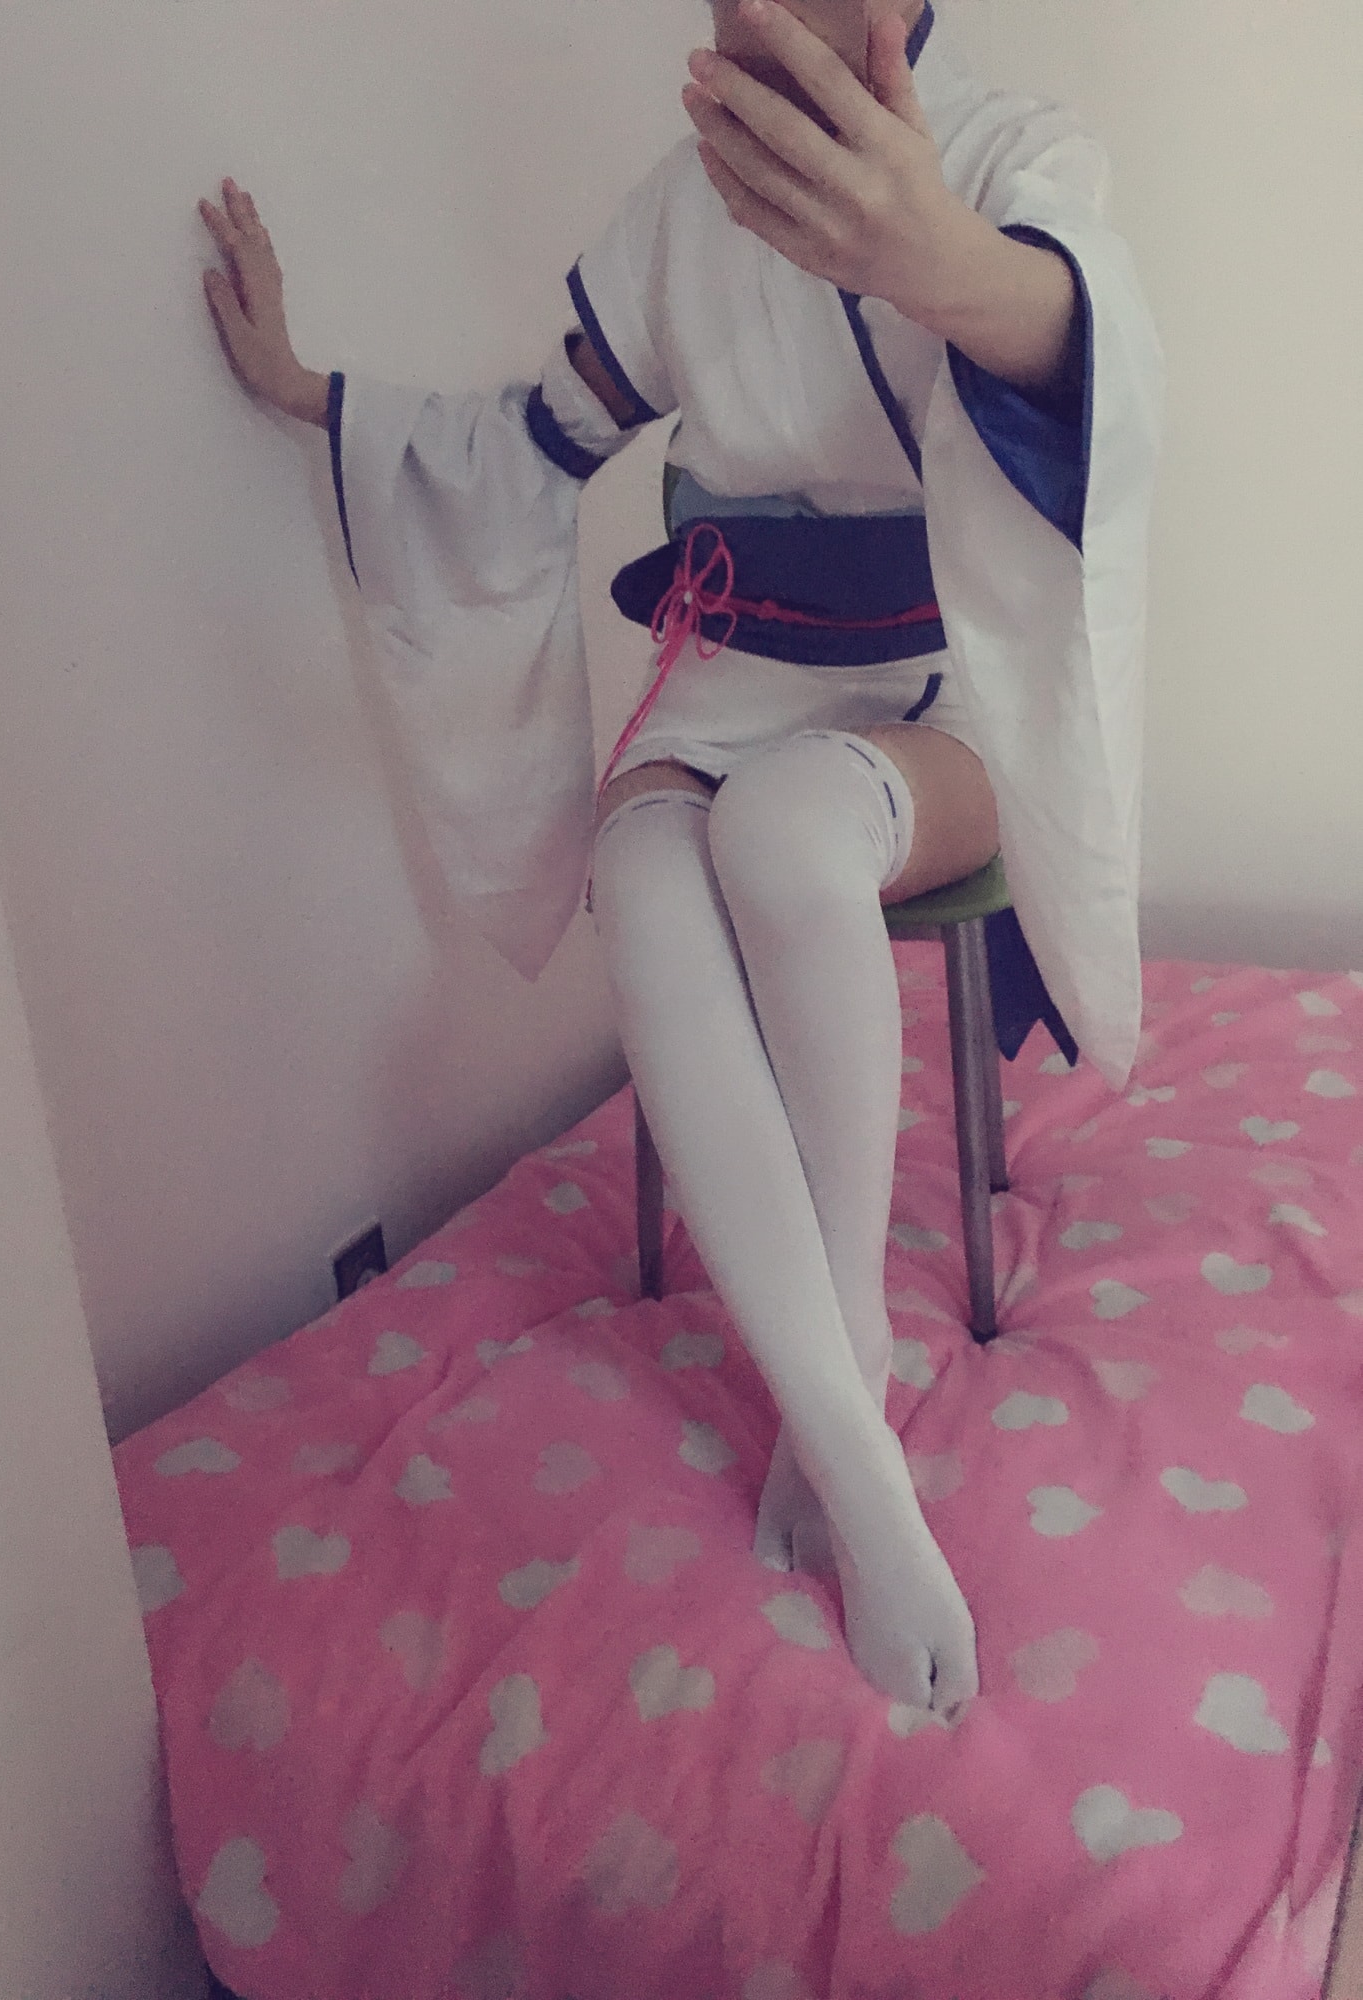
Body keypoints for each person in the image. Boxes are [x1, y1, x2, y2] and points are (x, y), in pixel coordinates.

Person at [197, 0, 1163, 1722]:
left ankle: (843, 1334)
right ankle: (851, 1439)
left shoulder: (1013, 155)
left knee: (786, 833)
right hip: (730, 675)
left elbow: (1092, 359)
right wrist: (303, 392)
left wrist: (939, 264)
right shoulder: (677, 209)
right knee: (643, 875)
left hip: (933, 689)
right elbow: (528, 446)